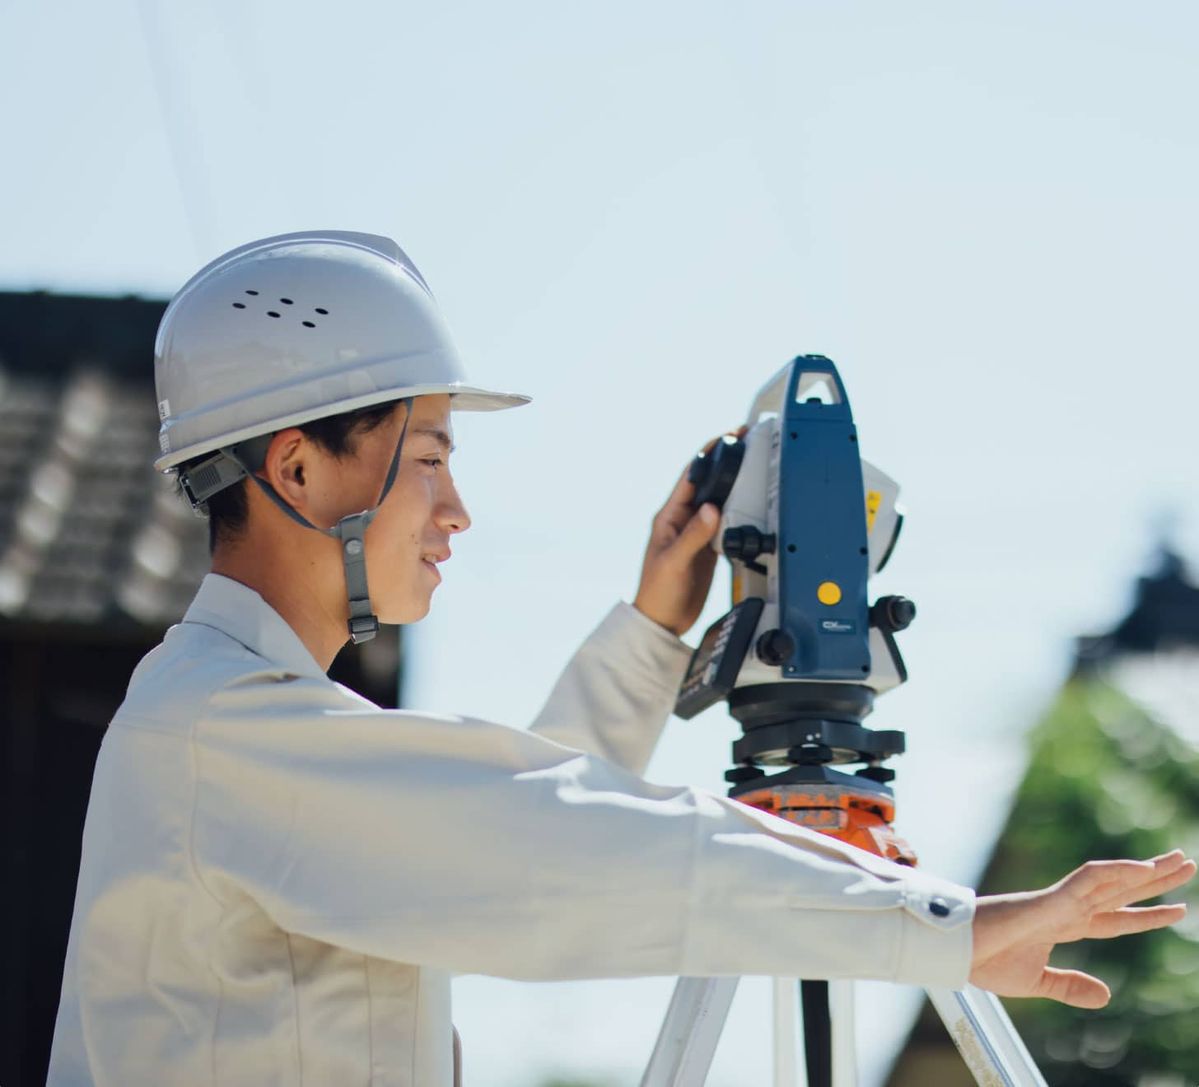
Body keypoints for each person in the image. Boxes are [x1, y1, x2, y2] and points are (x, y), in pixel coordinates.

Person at [49, 231, 1194, 1086]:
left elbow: (506, 841)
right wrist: (944, 927)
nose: (457, 511)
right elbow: (547, 843)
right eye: (431, 457)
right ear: (297, 470)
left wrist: (653, 627)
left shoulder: (242, 727)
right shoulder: (226, 738)